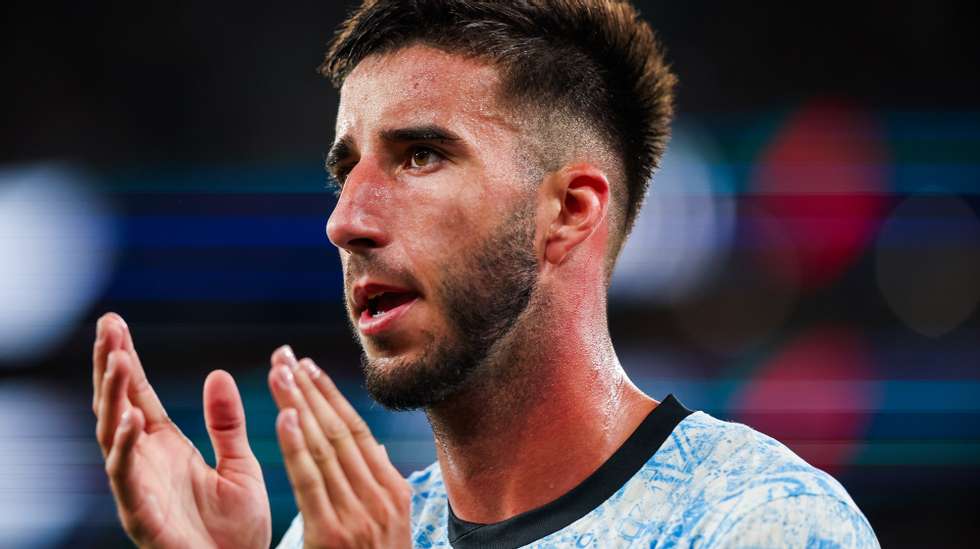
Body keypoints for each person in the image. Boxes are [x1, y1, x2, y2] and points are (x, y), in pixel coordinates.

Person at [91, 0, 880, 547]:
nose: (346, 221)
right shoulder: (348, 532)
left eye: (421, 155)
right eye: (346, 171)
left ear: (569, 210)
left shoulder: (763, 524)